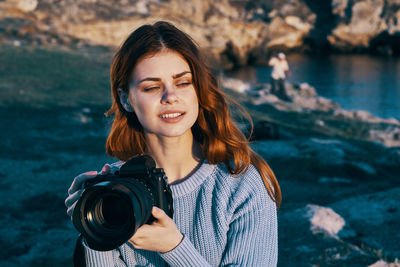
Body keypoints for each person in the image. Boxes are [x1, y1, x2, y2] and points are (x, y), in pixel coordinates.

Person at [65, 21, 281, 267]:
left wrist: (174, 248)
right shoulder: (114, 193)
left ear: (198, 88)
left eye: (182, 82)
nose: (171, 97)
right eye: (152, 87)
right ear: (126, 99)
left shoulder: (241, 185)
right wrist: (96, 233)